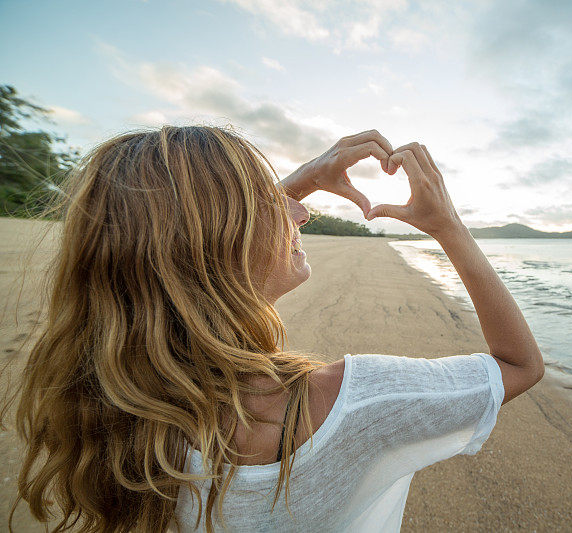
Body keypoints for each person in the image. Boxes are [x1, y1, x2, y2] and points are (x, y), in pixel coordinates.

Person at [4, 125, 544, 532]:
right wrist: (445, 223)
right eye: (268, 199)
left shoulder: (118, 394)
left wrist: (302, 179)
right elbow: (520, 364)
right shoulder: (353, 401)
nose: (300, 213)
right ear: (219, 241)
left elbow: (190, 245)